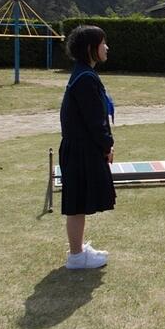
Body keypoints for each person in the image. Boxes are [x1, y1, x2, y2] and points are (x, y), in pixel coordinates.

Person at [60, 25, 115, 270]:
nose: (107, 48)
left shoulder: (84, 74)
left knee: (79, 202)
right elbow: (95, 120)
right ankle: (76, 256)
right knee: (76, 204)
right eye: (103, 43)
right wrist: (107, 145)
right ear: (91, 48)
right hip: (80, 149)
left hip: (80, 147)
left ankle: (79, 249)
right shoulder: (85, 79)